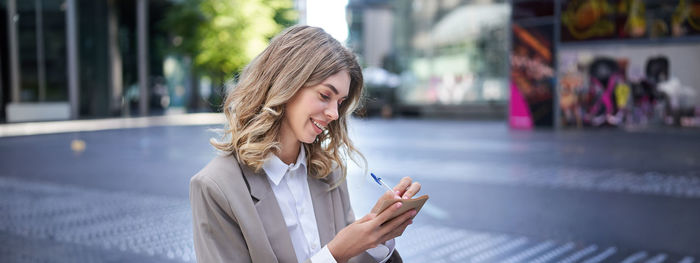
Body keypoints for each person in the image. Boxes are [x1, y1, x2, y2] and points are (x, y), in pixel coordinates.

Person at [190, 25, 421, 263]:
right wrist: (334, 255)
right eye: (324, 95)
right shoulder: (215, 187)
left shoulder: (328, 171)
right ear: (286, 83)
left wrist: (375, 238)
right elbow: (338, 254)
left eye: (340, 102)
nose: (334, 113)